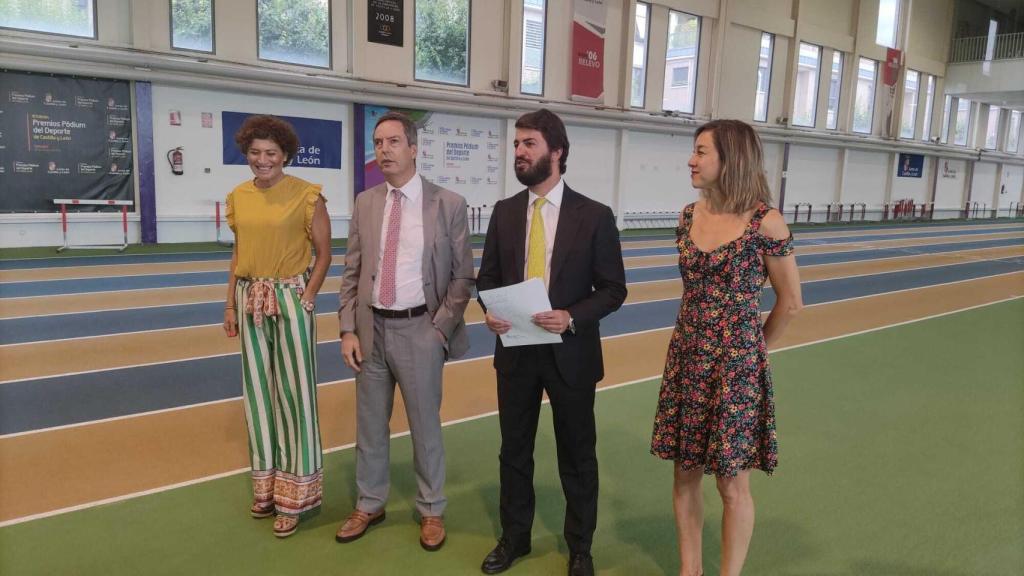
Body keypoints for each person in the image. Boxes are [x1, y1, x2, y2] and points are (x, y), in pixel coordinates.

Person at [476, 109, 627, 576]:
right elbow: (487, 280)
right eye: (517, 144)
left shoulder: (595, 216)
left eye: (529, 144)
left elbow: (613, 289)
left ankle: (580, 546)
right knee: (514, 451)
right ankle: (514, 537)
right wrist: (492, 313)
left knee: (577, 455)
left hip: (571, 355)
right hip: (516, 351)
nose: (519, 152)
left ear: (556, 152)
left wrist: (571, 316)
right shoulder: (503, 212)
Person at [650, 119, 803, 576]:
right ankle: (689, 571)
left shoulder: (766, 223)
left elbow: (791, 303)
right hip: (687, 359)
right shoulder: (686, 215)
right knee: (684, 474)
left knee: (732, 484)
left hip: (736, 369)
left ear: (729, 159)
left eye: (701, 152)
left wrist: (751, 355)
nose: (691, 160)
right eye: (693, 151)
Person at [336, 111, 474, 551]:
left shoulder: (447, 204)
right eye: (378, 143)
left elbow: (462, 277)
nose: (384, 150)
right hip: (370, 330)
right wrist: (347, 330)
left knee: (424, 427)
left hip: (421, 330)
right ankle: (369, 502)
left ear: (414, 148)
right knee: (370, 425)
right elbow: (351, 271)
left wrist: (440, 329)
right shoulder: (365, 202)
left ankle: (431, 509)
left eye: (393, 142)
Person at [223, 114, 332, 538]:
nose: (262, 160)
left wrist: (308, 295)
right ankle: (266, 486)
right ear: (246, 154)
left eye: (271, 153)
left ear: (285, 154)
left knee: (295, 396)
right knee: (257, 396)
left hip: (290, 298)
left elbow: (324, 253)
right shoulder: (238, 196)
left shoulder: (307, 196)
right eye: (255, 152)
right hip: (249, 298)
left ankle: (296, 497)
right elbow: (238, 254)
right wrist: (229, 304)